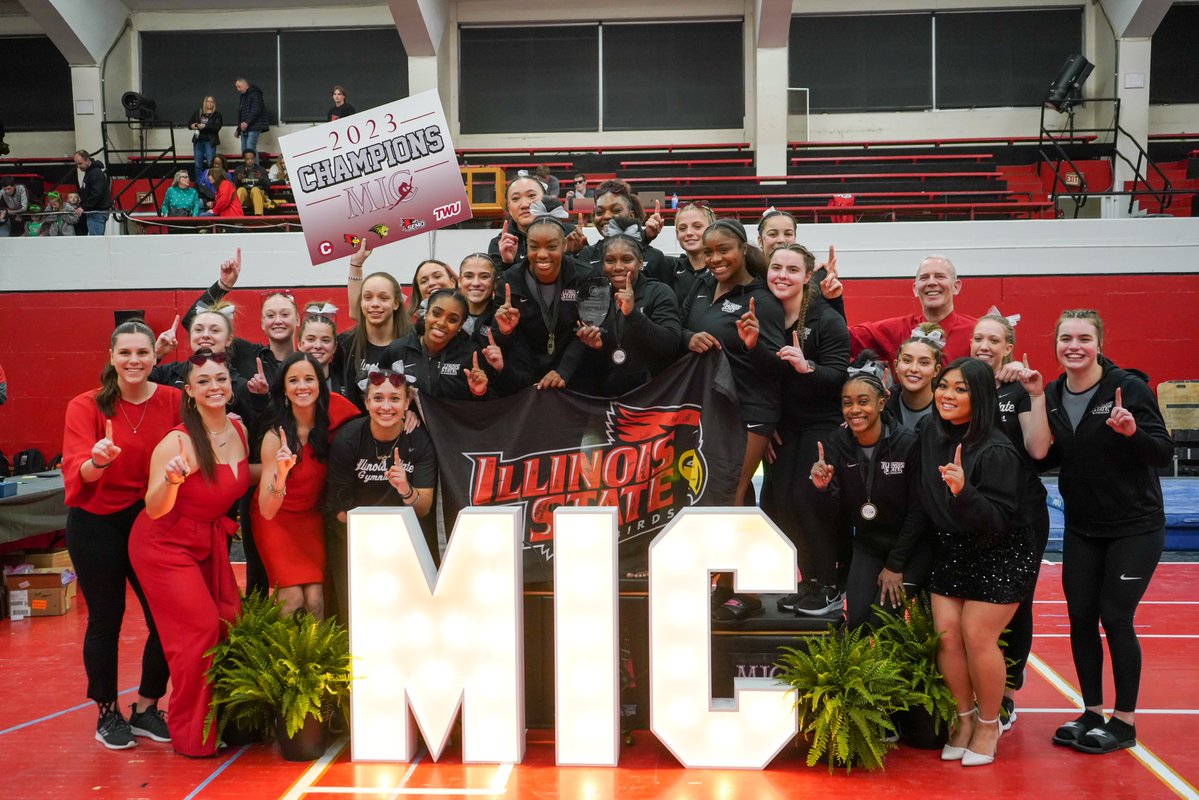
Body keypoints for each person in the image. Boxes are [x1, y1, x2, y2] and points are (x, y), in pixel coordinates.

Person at [1042, 310, 1172, 755]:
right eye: (1065, 338)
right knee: (1080, 619)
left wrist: (1133, 432)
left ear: (1099, 343)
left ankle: (1125, 721)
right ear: (1056, 344)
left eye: (1083, 338)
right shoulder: (1053, 394)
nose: (1073, 346)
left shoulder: (1127, 388)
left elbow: (1161, 453)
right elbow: (1046, 456)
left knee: (1115, 618)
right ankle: (1092, 711)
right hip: (1083, 527)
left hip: (1134, 527)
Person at [62, 320, 179, 750]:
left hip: (149, 520)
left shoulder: (172, 401)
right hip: (96, 523)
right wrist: (99, 460)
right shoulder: (85, 406)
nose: (134, 360)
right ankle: (107, 714)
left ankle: (147, 707)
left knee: (165, 618)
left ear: (155, 357)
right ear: (111, 357)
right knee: (105, 620)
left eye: (142, 353)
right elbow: (78, 471)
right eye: (125, 353)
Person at [129, 349, 249, 758]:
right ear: (190, 391)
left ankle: (228, 718)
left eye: (220, 379)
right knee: (198, 632)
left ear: (231, 384)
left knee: (229, 622)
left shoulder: (239, 429)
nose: (214, 387)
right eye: (204, 382)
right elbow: (154, 507)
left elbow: (241, 475)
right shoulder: (178, 441)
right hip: (163, 544)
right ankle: (191, 734)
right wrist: (173, 481)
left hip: (207, 540)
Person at [919, 356, 1038, 768]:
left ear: (981, 396)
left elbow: (998, 520)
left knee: (976, 636)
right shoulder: (931, 432)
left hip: (1000, 550)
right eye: (944, 386)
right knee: (947, 637)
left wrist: (963, 491)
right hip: (953, 548)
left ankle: (989, 724)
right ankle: (964, 720)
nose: (947, 395)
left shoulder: (998, 449)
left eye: (960, 389)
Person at [681, 219, 784, 621]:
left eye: (723, 249)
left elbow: (776, 365)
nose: (715, 258)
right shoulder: (702, 288)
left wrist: (754, 345)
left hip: (752, 409)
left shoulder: (763, 299)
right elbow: (685, 329)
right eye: (708, 252)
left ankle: (749, 589)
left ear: (742, 249)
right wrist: (688, 337)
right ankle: (725, 582)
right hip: (712, 407)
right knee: (723, 493)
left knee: (730, 493)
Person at [759, 243, 851, 617]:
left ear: (807, 276)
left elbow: (839, 377)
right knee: (779, 506)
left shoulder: (825, 318)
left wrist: (805, 366)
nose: (782, 275)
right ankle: (810, 581)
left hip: (821, 426)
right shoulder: (765, 316)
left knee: (809, 503)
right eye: (776, 267)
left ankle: (831, 585)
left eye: (792, 269)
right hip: (784, 429)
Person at [969, 314, 1052, 730]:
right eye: (978, 337)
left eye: (994, 339)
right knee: (970, 608)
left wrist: (1035, 396)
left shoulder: (1018, 390)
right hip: (972, 515)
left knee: (1014, 607)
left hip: (1021, 519)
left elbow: (1038, 450)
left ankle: (1005, 696)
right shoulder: (959, 385)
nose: (984, 345)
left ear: (1008, 347)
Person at [809, 355, 931, 628]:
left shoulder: (908, 445)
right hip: (869, 543)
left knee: (881, 620)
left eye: (863, 402)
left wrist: (895, 565)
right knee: (857, 623)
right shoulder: (836, 444)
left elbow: (918, 511)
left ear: (881, 403)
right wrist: (823, 489)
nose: (855, 410)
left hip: (910, 546)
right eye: (847, 403)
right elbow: (834, 513)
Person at [324, 362, 437, 620]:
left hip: (406, 543)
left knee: (404, 616)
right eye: (378, 398)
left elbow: (425, 507)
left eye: (394, 399)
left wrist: (406, 490)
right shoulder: (348, 439)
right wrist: (374, 541)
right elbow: (338, 508)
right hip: (354, 540)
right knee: (360, 616)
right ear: (366, 403)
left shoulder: (419, 442)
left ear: (407, 403)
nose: (386, 406)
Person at [251, 352, 359, 618]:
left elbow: (375, 421)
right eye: (294, 380)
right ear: (284, 390)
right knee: (293, 599)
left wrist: (409, 419)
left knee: (315, 600)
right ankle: (287, 660)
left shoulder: (337, 413)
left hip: (311, 519)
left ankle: (318, 660)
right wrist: (281, 475)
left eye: (309, 379)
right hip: (276, 521)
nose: (302, 386)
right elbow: (266, 509)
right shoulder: (276, 437)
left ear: (320, 385)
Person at [493, 215, 600, 389]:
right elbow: (498, 337)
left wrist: (564, 371)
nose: (542, 255)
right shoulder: (509, 279)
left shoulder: (586, 276)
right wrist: (506, 332)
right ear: (526, 246)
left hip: (572, 374)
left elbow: (585, 332)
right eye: (534, 247)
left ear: (564, 245)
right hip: (524, 375)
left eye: (551, 246)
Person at [574, 234, 682, 396]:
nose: (618, 267)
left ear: (640, 263)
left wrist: (633, 314)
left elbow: (671, 345)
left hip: (653, 396)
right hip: (606, 397)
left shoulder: (659, 292)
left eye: (626, 260)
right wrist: (595, 348)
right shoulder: (593, 294)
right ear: (603, 265)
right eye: (610, 260)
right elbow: (589, 365)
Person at [849, 256, 977, 362]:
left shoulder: (977, 332)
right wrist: (832, 300)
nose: (931, 282)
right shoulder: (896, 331)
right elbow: (845, 339)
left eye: (940, 276)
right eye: (924, 278)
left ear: (956, 286)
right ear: (915, 289)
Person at [341, 240, 411, 409]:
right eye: (368, 297)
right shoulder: (346, 344)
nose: (374, 304)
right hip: (359, 430)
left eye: (383, 298)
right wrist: (355, 265)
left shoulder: (413, 343)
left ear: (396, 304)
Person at [577, 179, 672, 285]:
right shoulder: (587, 254)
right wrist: (570, 253)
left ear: (631, 215)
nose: (607, 216)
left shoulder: (654, 257)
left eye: (616, 210)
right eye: (599, 212)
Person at [886, 324, 946, 432]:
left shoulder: (947, 409)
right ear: (896, 366)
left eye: (924, 363)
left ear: (936, 370)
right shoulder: (883, 405)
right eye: (907, 360)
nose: (914, 369)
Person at [487, 176, 547, 270]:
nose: (524, 205)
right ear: (509, 207)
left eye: (531, 196)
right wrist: (507, 263)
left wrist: (572, 253)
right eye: (515, 199)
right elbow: (499, 283)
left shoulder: (567, 236)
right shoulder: (500, 245)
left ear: (546, 199)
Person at [298, 304, 348, 399]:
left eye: (325, 340)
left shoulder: (346, 381)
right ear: (300, 344)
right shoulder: (288, 379)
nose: (318, 346)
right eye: (311, 339)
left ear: (334, 347)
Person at [671, 202, 715, 304]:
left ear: (712, 229)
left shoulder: (723, 269)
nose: (689, 232)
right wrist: (647, 237)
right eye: (682, 228)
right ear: (677, 235)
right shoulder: (670, 268)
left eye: (697, 226)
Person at [74, 150, 112, 236]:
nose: (78, 167)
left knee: (96, 240)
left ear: (87, 160)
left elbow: (96, 193)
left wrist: (84, 207)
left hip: (97, 212)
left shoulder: (95, 173)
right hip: (93, 211)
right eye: (77, 164)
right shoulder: (91, 173)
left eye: (80, 163)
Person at [187, 95, 222, 179]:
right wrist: (193, 125)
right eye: (208, 101)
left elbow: (217, 127)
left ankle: (211, 183)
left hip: (210, 142)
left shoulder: (217, 115)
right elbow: (189, 124)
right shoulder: (198, 112)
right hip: (198, 141)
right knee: (198, 164)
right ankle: (199, 184)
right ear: (205, 102)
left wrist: (205, 126)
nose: (209, 103)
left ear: (214, 104)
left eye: (212, 102)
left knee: (210, 163)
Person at [235, 77, 269, 155]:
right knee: (244, 149)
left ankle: (255, 167)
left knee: (250, 148)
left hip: (254, 126)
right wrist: (238, 129)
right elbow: (241, 113)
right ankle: (247, 167)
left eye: (239, 86)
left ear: (244, 84)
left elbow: (256, 110)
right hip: (245, 127)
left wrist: (247, 123)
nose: (238, 89)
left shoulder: (255, 93)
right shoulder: (242, 96)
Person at [233, 150, 271, 216]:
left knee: (255, 189)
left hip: (259, 196)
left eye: (252, 158)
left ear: (254, 158)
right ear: (244, 159)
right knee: (241, 190)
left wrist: (261, 178)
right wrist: (239, 179)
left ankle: (259, 215)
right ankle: (235, 216)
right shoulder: (239, 169)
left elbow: (268, 187)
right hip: (246, 197)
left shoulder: (261, 169)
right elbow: (233, 187)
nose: (250, 160)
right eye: (248, 159)